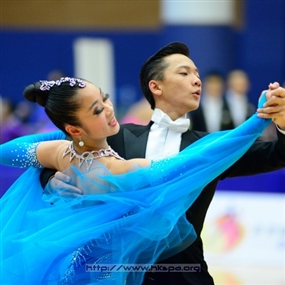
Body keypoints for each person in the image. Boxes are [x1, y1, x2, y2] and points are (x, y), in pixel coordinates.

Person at [41, 42, 285, 285]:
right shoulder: (115, 137)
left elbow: (277, 154)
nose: (197, 81)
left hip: (185, 274)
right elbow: (55, 154)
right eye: (184, 73)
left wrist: (282, 121)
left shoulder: (213, 147)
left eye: (197, 75)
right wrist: (52, 180)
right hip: (114, 273)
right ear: (155, 86)